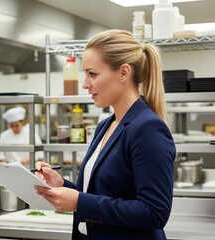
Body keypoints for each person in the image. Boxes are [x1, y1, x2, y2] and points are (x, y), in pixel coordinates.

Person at [34, 29, 176, 240]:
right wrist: (63, 186)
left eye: (92, 74)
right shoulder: (105, 126)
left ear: (124, 73)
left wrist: (79, 202)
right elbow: (101, 193)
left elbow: (154, 212)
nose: (85, 84)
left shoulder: (147, 128)